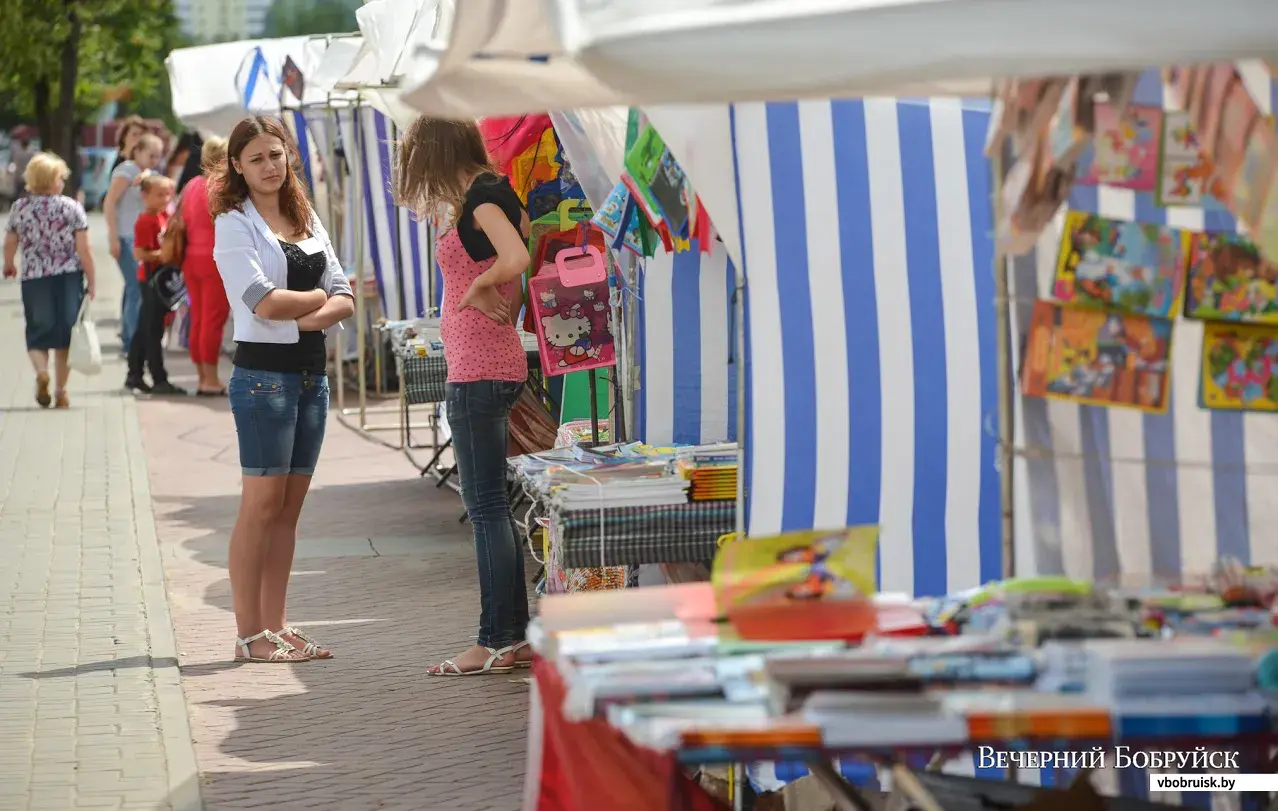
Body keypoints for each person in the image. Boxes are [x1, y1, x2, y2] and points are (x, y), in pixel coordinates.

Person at [211, 116, 354, 664]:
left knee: (289, 512)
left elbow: (343, 291)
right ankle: (249, 633)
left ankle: (277, 626)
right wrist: (317, 304)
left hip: (311, 378)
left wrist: (312, 305)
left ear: (288, 156)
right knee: (261, 506)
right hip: (263, 378)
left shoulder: (306, 215)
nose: (269, 166)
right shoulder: (233, 224)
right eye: (256, 159)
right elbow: (261, 301)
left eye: (276, 155)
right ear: (237, 167)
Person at [395, 116, 532, 676]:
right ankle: (510, 637)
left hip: (479, 368)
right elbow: (517, 271)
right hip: (488, 361)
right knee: (491, 507)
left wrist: (477, 288)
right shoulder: (492, 192)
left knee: (486, 510)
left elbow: (516, 261)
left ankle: (497, 637)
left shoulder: (481, 199)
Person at [2, 152, 96, 408]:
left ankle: (41, 372)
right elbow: (83, 249)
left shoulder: (20, 208)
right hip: (67, 277)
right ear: (54, 180)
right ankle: (61, 390)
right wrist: (92, 278)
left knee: (37, 332)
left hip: (34, 277)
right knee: (65, 336)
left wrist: (9, 264)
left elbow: (10, 241)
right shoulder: (71, 207)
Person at [103, 132, 163, 356]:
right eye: (151, 155)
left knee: (135, 290)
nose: (155, 160)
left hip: (141, 237)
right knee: (135, 289)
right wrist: (113, 236)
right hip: (126, 236)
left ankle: (134, 339)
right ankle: (131, 343)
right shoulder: (126, 170)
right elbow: (109, 202)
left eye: (158, 156)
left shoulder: (151, 174)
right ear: (137, 151)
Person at [125, 175, 186, 396]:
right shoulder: (145, 220)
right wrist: (163, 255)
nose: (165, 198)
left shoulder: (163, 215)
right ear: (144, 196)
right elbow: (139, 252)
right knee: (153, 330)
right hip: (151, 280)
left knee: (145, 328)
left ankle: (134, 375)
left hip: (160, 279)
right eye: (159, 194)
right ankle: (158, 378)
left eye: (168, 194)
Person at [182, 136, 230, 395]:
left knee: (199, 318)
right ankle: (209, 379)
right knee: (213, 319)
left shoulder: (192, 185)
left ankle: (203, 375)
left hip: (191, 257)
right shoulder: (221, 186)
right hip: (215, 259)